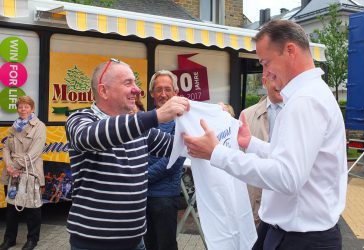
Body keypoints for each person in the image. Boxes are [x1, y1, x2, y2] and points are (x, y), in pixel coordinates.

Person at [183, 20, 347, 250]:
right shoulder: (312, 95)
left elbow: (287, 177)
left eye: (266, 61)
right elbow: (296, 161)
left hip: (299, 239)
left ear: (290, 50)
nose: (265, 72)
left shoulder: (304, 101)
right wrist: (252, 144)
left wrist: (217, 153)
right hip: (293, 233)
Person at [65, 59, 189, 250]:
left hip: (135, 242)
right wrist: (155, 116)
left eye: (135, 83)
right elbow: (88, 137)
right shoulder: (80, 119)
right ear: (104, 91)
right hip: (93, 244)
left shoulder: (137, 127)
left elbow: (177, 148)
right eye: (128, 83)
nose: (137, 90)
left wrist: (208, 120)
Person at [144, 70, 186, 250]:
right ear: (152, 93)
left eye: (167, 89)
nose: (163, 94)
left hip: (165, 197)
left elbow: (174, 160)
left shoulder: (183, 121)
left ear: (175, 93)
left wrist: (142, 177)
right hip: (142, 196)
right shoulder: (145, 119)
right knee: (148, 244)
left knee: (166, 245)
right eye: (158, 89)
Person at [0, 96, 46, 250]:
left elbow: (34, 152)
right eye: (20, 107)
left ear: (32, 109)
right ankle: (9, 239)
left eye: (26, 107)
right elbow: (6, 147)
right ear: (17, 109)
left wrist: (15, 167)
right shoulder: (14, 126)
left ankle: (32, 240)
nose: (23, 110)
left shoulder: (39, 126)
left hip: (30, 171)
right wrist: (9, 166)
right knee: (12, 207)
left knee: (32, 208)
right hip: (12, 171)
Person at [242, 77, 283, 228]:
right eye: (273, 79)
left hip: (285, 204)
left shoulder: (300, 114)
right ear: (264, 81)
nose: (279, 83)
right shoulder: (246, 115)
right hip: (254, 202)